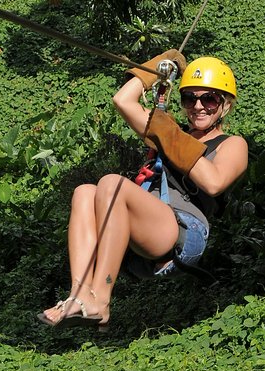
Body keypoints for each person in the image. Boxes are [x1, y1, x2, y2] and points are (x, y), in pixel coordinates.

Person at [38, 50, 249, 329]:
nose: (198, 106)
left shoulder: (232, 144)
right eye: (190, 98)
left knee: (112, 183)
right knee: (84, 192)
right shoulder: (169, 131)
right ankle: (79, 294)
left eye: (209, 99)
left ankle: (100, 300)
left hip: (184, 229)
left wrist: (168, 135)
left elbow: (213, 181)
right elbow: (123, 100)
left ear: (226, 105)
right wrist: (156, 70)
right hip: (147, 226)